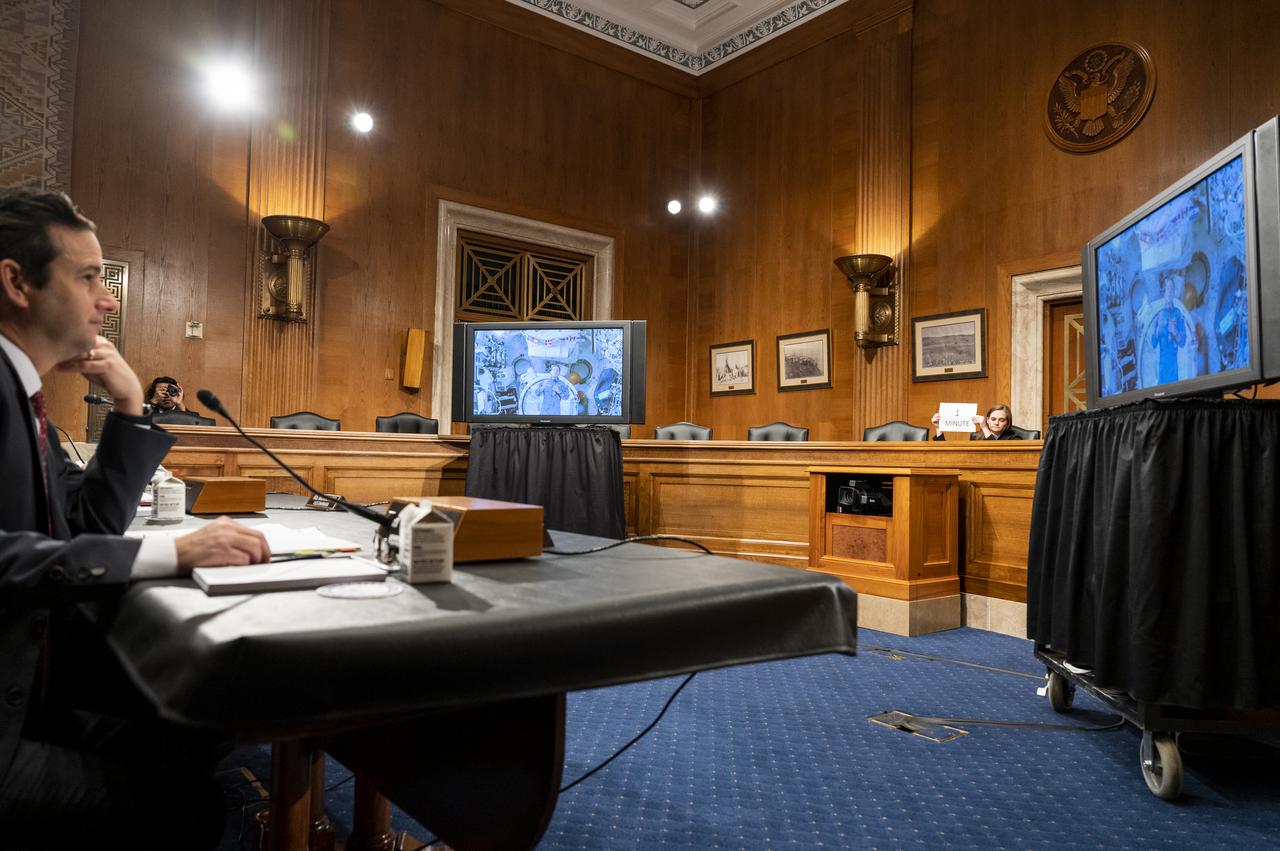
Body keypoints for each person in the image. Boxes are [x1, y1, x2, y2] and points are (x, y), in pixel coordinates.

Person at [0, 187, 271, 849]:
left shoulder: (23, 396)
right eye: (90, 276)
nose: (109, 298)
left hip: (33, 689)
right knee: (192, 805)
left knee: (199, 712)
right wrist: (172, 553)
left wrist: (127, 405)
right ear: (16, 281)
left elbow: (84, 523)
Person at [931, 404, 1023, 440]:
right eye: (993, 419)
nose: (996, 423)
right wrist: (938, 428)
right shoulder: (976, 437)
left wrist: (984, 427)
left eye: (1001, 420)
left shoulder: (1015, 438)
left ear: (1007, 422)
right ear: (987, 420)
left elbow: (995, 450)